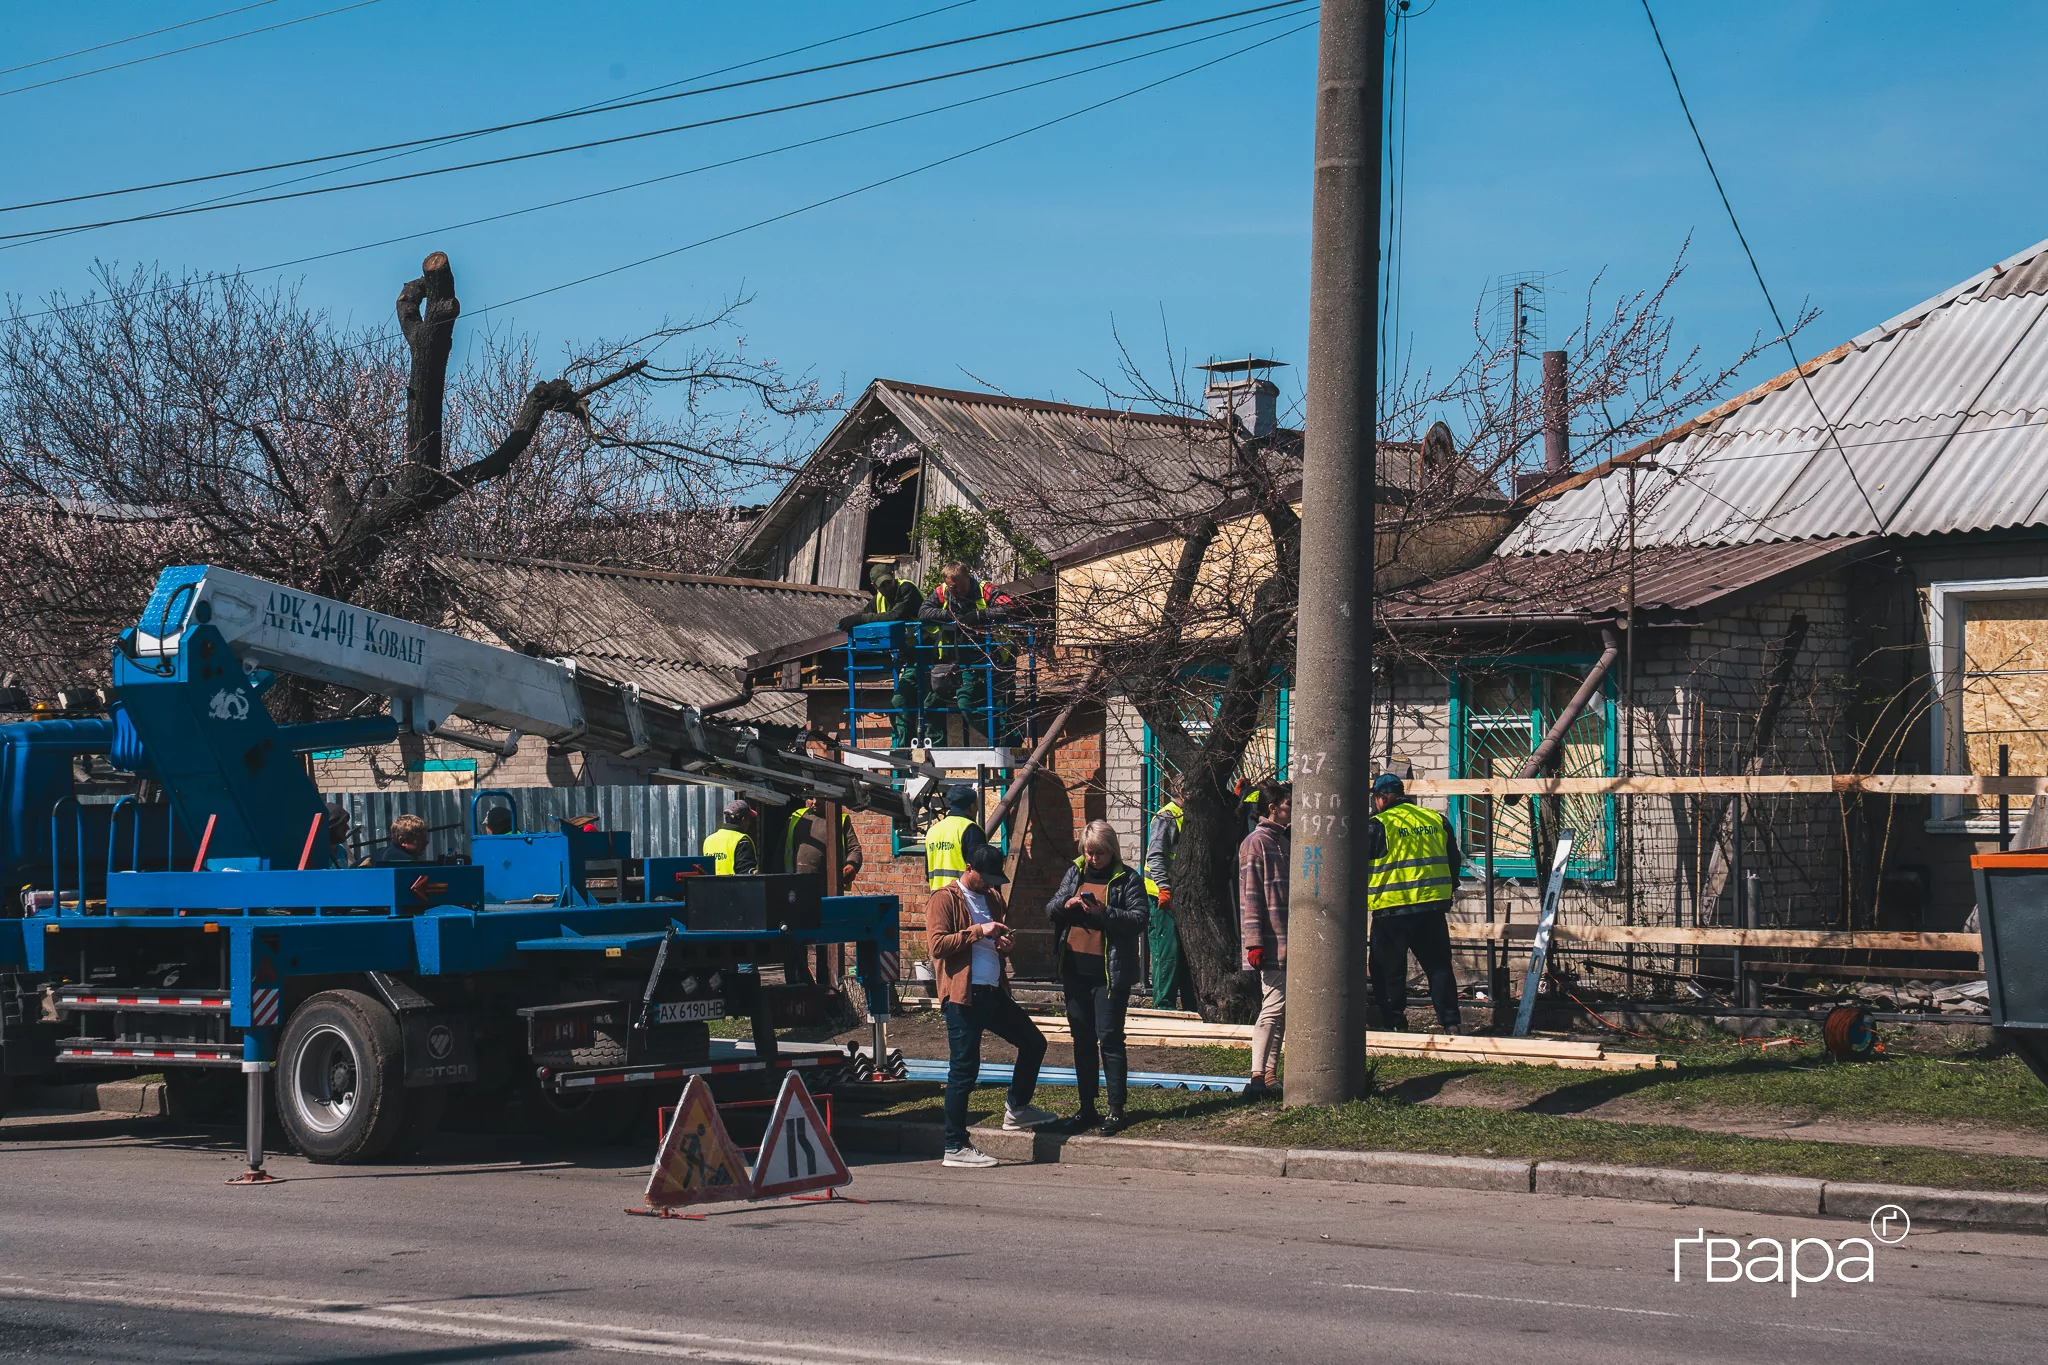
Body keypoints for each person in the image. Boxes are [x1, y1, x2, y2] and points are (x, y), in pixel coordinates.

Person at [926, 843, 1055, 1166]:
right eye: (986, 877)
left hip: (993, 991)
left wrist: (1004, 946)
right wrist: (977, 930)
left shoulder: (994, 899)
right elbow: (938, 946)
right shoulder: (945, 899)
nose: (990, 884)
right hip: (963, 995)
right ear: (969, 868)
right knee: (964, 1070)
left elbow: (995, 945)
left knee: (1033, 1042)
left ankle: (1018, 1108)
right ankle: (955, 1145)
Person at [1046, 820, 1148, 1135]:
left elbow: (1139, 919)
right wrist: (1068, 904)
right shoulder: (1074, 873)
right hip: (1075, 970)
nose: (1094, 859)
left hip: (1109, 974)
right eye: (1089, 853)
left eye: (1099, 853)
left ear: (1112, 850)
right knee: (1083, 1040)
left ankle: (1116, 1109)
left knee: (1110, 1039)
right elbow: (1050, 909)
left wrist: (1104, 913)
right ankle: (1086, 1107)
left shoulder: (1128, 879)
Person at [1365, 772, 1464, 1034]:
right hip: (1432, 909)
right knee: (1439, 967)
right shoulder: (1435, 819)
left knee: (1388, 973)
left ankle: (1395, 1026)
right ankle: (1451, 1023)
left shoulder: (1377, 824)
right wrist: (1450, 887)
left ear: (1383, 797)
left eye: (1375, 798)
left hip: (1391, 910)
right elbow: (1453, 859)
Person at [918, 561, 1016, 747]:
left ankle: (1008, 740)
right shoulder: (943, 591)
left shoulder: (985, 588)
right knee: (964, 702)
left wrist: (979, 616)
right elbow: (923, 611)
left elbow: (1009, 607)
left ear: (967, 578)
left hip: (996, 659)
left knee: (1003, 706)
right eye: (952, 587)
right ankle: (1002, 739)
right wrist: (951, 616)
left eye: (960, 586)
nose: (956, 591)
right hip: (965, 660)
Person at [1237, 783, 1291, 1098]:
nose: (1291, 809)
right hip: (1270, 943)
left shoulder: (1282, 841)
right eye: (1287, 804)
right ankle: (1257, 1075)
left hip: (1287, 939)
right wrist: (1253, 942)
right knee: (1272, 1007)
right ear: (1272, 808)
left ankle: (1270, 1075)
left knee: (1280, 1009)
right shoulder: (1255, 843)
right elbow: (1251, 896)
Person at [839, 562, 926, 748]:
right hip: (910, 658)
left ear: (893, 576)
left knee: (929, 707)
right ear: (874, 586)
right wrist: (853, 620)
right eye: (882, 585)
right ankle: (904, 751)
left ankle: (924, 751)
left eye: (888, 582)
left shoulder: (907, 589)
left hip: (929, 653)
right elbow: (864, 616)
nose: (886, 587)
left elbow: (896, 616)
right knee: (900, 703)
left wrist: (860, 619)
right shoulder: (878, 600)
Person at [1143, 774, 1193, 1011]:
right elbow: (1155, 857)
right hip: (1162, 897)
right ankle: (1164, 1008)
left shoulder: (1187, 815)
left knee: (1183, 954)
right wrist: (1163, 887)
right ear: (1182, 789)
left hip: (1179, 897)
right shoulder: (1167, 816)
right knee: (1167, 953)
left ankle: (1188, 1005)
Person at [784, 795, 863, 886]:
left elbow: (854, 849)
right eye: (811, 798)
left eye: (820, 798)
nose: (815, 802)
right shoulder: (796, 817)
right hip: (795, 883)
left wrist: (851, 866)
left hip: (827, 886)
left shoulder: (840, 819)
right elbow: (780, 850)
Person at [923, 784, 988, 892]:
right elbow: (980, 874)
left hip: (937, 900)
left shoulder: (932, 831)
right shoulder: (971, 830)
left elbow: (927, 874)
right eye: (976, 804)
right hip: (964, 901)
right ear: (971, 806)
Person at [701, 800, 759, 875]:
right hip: (734, 886)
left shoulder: (709, 840)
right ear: (743, 819)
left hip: (712, 886)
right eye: (749, 819)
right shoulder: (741, 840)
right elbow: (746, 872)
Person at [363, 811, 430, 867]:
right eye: (420, 839)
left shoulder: (378, 853)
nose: (427, 842)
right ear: (403, 841)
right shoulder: (407, 862)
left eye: (426, 838)